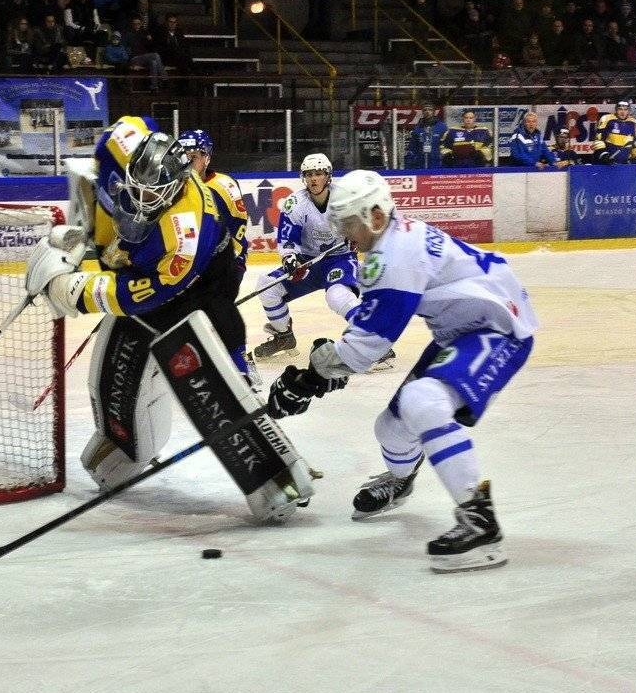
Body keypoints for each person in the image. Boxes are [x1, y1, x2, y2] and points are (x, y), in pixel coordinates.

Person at [29, 119, 315, 520]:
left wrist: (77, 292)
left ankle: (269, 464)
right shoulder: (124, 145)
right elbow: (131, 133)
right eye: (138, 186)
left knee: (211, 335)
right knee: (131, 339)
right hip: (154, 256)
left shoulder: (185, 236)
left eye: (153, 193)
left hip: (208, 275)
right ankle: (123, 445)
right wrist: (87, 226)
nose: (142, 198)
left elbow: (138, 294)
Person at [265, 169, 538, 572]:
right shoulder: (391, 241)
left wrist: (307, 381)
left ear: (375, 216)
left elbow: (367, 347)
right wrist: (319, 371)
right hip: (461, 330)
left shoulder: (393, 256)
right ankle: (401, 480)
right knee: (391, 429)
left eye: (348, 224)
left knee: (421, 401)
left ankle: (481, 526)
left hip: (498, 329)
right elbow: (373, 324)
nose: (344, 235)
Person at [250, 154, 390, 366]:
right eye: (309, 174)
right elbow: (287, 238)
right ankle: (284, 336)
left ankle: (372, 343)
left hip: (338, 259)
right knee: (266, 286)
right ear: (303, 177)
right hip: (307, 262)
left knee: (337, 295)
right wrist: (290, 259)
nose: (314, 179)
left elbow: (368, 220)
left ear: (328, 176)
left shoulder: (344, 198)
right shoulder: (295, 203)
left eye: (318, 174)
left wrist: (359, 234)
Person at [177, 129, 247, 278]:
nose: (187, 162)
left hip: (222, 261)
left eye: (193, 157)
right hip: (187, 264)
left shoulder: (224, 186)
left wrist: (230, 261)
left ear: (206, 157)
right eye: (183, 156)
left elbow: (237, 226)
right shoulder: (171, 187)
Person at [403, 102, 447, 169]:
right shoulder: (417, 128)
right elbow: (413, 147)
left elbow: (446, 144)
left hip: (437, 162)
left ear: (434, 112)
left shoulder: (442, 127)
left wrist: (442, 156)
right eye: (425, 110)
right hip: (421, 162)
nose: (427, 111)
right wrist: (411, 161)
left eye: (430, 110)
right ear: (422, 112)